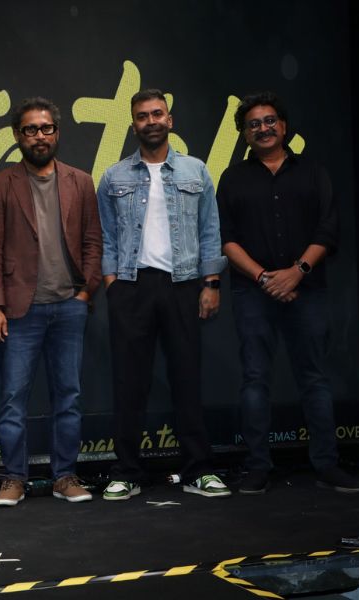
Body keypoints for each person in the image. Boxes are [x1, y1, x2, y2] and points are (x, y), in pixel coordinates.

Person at [216, 91, 359, 495]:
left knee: (314, 379)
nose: (263, 128)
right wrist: (265, 278)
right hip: (253, 292)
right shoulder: (232, 178)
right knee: (254, 380)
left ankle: (327, 465)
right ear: (244, 134)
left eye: (269, 121)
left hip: (307, 290)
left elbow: (328, 230)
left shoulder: (313, 173)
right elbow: (226, 239)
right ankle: (257, 468)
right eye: (253, 124)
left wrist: (296, 273)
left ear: (283, 126)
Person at [97, 89, 230, 501]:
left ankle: (198, 470)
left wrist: (211, 284)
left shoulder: (196, 170)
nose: (150, 121)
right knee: (129, 383)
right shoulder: (114, 176)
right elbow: (105, 235)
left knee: (187, 379)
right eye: (142, 116)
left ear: (169, 120)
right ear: (133, 124)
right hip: (131, 286)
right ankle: (127, 472)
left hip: (184, 284)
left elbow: (210, 231)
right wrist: (112, 283)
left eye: (157, 114)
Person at [0, 97, 102, 507]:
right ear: (18, 136)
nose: (39, 136)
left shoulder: (80, 181)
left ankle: (65, 476)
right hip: (19, 310)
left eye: (46, 128)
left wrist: (85, 293)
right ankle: (14, 478)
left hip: (69, 306)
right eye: (30, 129)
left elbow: (93, 242)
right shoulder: (1, 184)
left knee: (69, 396)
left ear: (57, 132)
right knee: (13, 398)